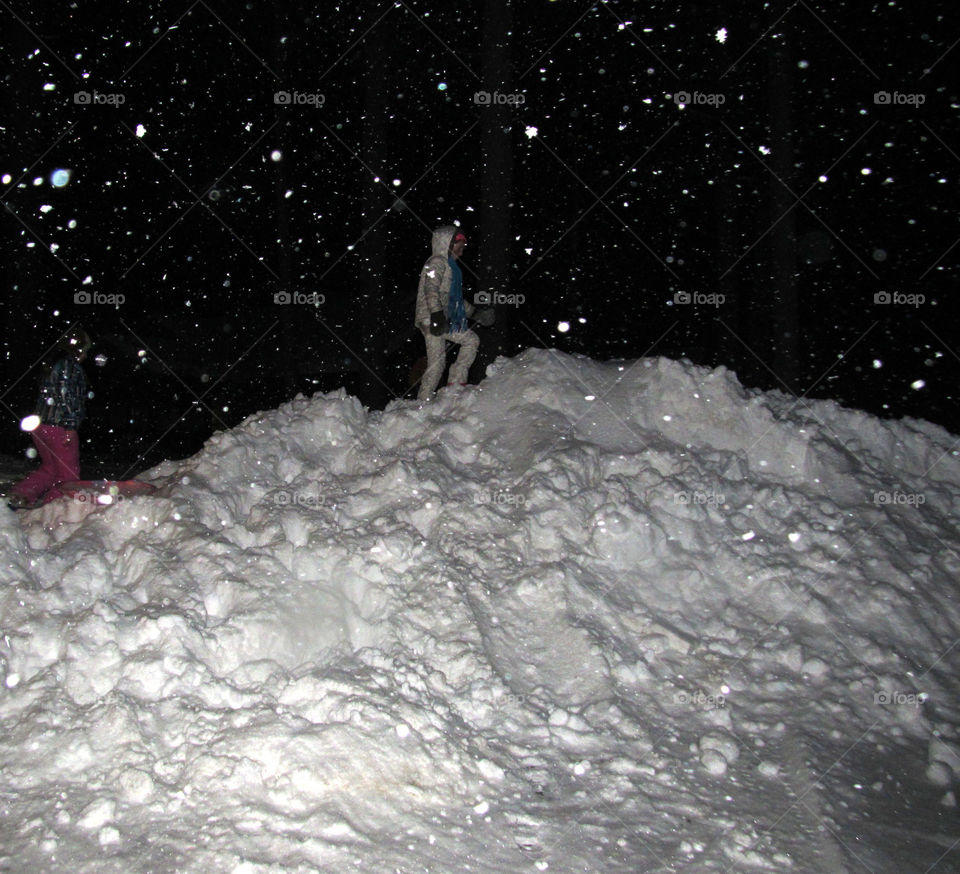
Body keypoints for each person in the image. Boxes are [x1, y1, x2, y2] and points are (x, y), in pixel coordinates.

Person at [8, 326, 91, 509]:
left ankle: (21, 494)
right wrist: (70, 425)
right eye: (84, 350)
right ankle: (55, 508)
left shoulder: (52, 364)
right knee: (68, 475)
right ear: (77, 348)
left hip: (40, 425)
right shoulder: (69, 365)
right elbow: (66, 395)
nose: (85, 355)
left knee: (50, 468)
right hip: (59, 426)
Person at [413, 226, 494, 400]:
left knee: (438, 362)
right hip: (431, 317)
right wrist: (436, 314)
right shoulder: (437, 262)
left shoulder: (449, 268)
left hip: (436, 317)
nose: (462, 252)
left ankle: (426, 400)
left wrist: (475, 313)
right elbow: (430, 289)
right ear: (448, 244)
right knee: (469, 341)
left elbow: (454, 300)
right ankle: (453, 385)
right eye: (459, 247)